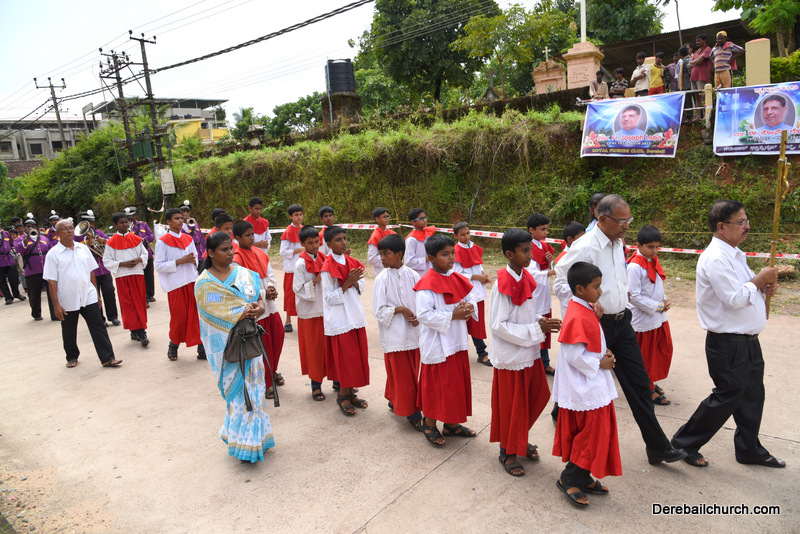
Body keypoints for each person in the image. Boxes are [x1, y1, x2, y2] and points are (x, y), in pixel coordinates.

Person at [553, 194, 686, 465]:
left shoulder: (618, 243)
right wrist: (587, 304)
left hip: (623, 323)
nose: (627, 225)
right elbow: (560, 283)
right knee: (586, 385)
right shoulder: (585, 246)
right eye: (621, 220)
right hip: (598, 325)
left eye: (629, 220)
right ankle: (561, 413)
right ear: (602, 219)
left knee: (639, 383)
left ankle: (657, 447)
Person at [672, 200, 785, 469]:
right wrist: (759, 280)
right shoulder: (715, 258)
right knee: (726, 397)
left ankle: (749, 449)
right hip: (728, 343)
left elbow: (747, 289)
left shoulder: (735, 254)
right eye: (741, 222)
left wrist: (764, 288)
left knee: (752, 396)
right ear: (722, 227)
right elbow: (734, 298)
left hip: (748, 341)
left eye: (747, 221)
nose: (747, 227)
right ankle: (683, 443)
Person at [195, 231, 275, 463]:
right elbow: (213, 315)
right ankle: (242, 442)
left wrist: (260, 308)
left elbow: (256, 299)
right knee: (240, 395)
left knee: (256, 390)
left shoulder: (243, 274)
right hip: (227, 348)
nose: (230, 253)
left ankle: (256, 439)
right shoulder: (204, 284)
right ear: (210, 253)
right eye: (224, 249)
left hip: (250, 341)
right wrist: (242, 312)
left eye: (231, 248)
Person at [552, 261, 621, 507]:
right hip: (584, 386)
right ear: (580, 289)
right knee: (590, 435)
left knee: (597, 433)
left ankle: (583, 476)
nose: (600, 291)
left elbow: (591, 341)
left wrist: (604, 352)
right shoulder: (576, 314)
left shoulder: (585, 307)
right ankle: (569, 478)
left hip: (594, 382)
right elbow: (573, 355)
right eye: (596, 286)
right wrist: (600, 363)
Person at [489, 228, 549, 477]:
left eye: (530, 249)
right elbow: (498, 325)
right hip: (512, 356)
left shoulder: (525, 276)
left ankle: (518, 438)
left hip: (529, 352)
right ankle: (508, 451)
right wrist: (536, 329)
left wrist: (540, 321)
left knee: (537, 396)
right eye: (525, 251)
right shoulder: (502, 284)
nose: (530, 255)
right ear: (509, 254)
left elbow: (526, 312)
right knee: (512, 406)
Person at [414, 234, 478, 446]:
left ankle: (451, 424)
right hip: (438, 344)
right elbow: (423, 315)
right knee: (437, 386)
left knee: (454, 385)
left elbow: (470, 298)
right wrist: (453, 315)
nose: (451, 258)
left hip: (456, 341)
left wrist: (469, 307)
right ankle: (428, 423)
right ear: (431, 258)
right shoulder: (426, 285)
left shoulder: (457, 278)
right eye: (445, 254)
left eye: (452, 253)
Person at [43, 219, 122, 368]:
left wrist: (96, 294)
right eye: (65, 229)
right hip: (68, 298)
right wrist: (56, 305)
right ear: (58, 233)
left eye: (71, 228)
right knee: (69, 329)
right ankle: (72, 356)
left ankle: (107, 358)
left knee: (98, 326)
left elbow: (91, 271)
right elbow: (52, 281)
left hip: (88, 295)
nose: (70, 231)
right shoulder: (53, 254)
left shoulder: (83, 248)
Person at [372, 233, 424, 430]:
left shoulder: (413, 275)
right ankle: (413, 413)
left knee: (410, 373)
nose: (382, 258)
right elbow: (378, 311)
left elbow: (421, 302)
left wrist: (419, 317)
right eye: (380, 254)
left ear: (399, 254)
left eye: (386, 254)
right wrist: (399, 309)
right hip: (394, 335)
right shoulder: (381, 279)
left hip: (413, 333)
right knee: (404, 377)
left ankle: (394, 399)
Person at [320, 226, 370, 416]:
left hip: (354, 315)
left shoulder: (351, 261)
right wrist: (347, 282)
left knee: (355, 358)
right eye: (338, 240)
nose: (343, 242)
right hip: (340, 319)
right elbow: (328, 298)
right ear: (329, 244)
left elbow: (362, 284)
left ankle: (351, 393)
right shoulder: (327, 267)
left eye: (345, 238)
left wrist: (354, 282)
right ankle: (342, 395)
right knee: (345, 360)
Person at [233, 220, 285, 397]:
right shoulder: (237, 259)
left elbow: (270, 275)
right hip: (256, 308)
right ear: (238, 238)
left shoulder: (260, 253)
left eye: (252, 234)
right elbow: (242, 286)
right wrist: (263, 293)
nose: (251, 238)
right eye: (247, 235)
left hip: (270, 305)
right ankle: (266, 382)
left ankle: (272, 370)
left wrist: (271, 288)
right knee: (263, 345)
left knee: (278, 337)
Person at [627, 226, 673, 406]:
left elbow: (658, 285)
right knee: (645, 356)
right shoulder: (634, 267)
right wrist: (658, 306)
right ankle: (646, 388)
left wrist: (664, 300)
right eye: (650, 247)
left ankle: (651, 380)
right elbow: (633, 296)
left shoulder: (653, 261)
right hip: (643, 318)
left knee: (659, 351)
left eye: (657, 247)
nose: (654, 251)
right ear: (639, 245)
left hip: (657, 316)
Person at [155, 208, 205, 361]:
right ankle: (173, 345)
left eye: (181, 218)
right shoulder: (162, 241)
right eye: (176, 218)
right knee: (179, 318)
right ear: (168, 222)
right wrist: (178, 261)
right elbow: (158, 265)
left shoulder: (188, 238)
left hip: (191, 281)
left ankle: (201, 348)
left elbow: (196, 257)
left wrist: (193, 260)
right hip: (176, 284)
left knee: (196, 317)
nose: (180, 221)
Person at [293, 225, 329, 401]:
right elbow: (297, 289)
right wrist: (316, 280)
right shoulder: (300, 264)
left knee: (329, 348)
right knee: (315, 350)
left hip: (326, 310)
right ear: (302, 244)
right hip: (310, 313)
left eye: (317, 242)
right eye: (310, 243)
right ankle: (316, 385)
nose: (315, 246)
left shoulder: (324, 258)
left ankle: (337, 381)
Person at [104, 212, 150, 347]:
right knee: (128, 304)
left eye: (126, 222)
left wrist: (139, 259)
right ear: (115, 224)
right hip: (122, 276)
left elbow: (145, 253)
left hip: (137, 274)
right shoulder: (111, 242)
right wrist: (122, 264)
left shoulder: (136, 239)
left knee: (139, 303)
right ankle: (139, 332)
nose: (125, 224)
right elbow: (107, 261)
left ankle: (138, 331)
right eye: (121, 222)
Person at [526, 213, 561, 375]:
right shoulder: (528, 247)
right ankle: (535, 363)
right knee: (537, 326)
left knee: (545, 328)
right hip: (534, 293)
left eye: (547, 229)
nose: (546, 232)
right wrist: (551, 271)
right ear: (531, 230)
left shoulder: (544, 246)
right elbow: (531, 273)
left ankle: (544, 362)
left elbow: (546, 268)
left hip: (544, 292)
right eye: (543, 229)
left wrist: (549, 262)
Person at [452, 221, 491, 366]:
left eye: (468, 233)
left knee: (477, 323)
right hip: (466, 291)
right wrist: (476, 277)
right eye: (462, 234)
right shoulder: (456, 251)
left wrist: (483, 275)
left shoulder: (473, 246)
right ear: (456, 236)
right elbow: (456, 274)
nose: (466, 236)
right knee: (467, 323)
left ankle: (481, 352)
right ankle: (479, 352)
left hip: (478, 289)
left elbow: (478, 265)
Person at [74, 210, 120, 327]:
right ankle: (100, 319)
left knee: (109, 291)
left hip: (104, 268)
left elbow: (111, 243)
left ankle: (113, 316)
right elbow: (75, 250)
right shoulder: (77, 237)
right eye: (89, 223)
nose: (92, 225)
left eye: (93, 222)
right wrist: (87, 244)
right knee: (94, 295)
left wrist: (104, 241)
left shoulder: (99, 232)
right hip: (90, 270)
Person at [14, 214, 54, 321]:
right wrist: (27, 237)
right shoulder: (19, 240)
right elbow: (19, 249)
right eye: (27, 226)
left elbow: (51, 251)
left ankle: (55, 313)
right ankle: (36, 313)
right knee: (34, 294)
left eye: (33, 226)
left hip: (47, 270)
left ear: (37, 227)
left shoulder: (44, 238)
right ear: (24, 228)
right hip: (32, 271)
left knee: (52, 292)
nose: (30, 228)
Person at [279, 203, 304, 333]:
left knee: (304, 294)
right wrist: (298, 250)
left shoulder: (305, 230)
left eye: (300, 214)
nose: (299, 217)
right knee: (290, 294)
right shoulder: (288, 232)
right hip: (291, 269)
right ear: (290, 216)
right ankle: (288, 320)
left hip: (304, 268)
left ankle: (303, 319)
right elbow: (282, 252)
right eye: (296, 215)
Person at [125, 207, 156, 304]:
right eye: (128, 217)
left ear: (135, 215)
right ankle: (144, 297)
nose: (130, 219)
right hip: (135, 254)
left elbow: (151, 236)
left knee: (149, 275)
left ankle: (150, 294)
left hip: (147, 252)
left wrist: (143, 240)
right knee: (140, 276)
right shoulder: (125, 228)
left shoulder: (143, 224)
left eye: (131, 216)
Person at [404, 208, 435, 278]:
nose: (425, 220)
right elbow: (408, 262)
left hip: (430, 271)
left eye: (425, 217)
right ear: (413, 222)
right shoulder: (411, 239)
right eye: (421, 218)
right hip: (417, 275)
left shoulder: (428, 235)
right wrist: (426, 259)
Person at [0, 218, 25, 305]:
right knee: (2, 281)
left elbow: (13, 243)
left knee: (14, 278)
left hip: (9, 258)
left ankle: (16, 294)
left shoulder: (6, 233)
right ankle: (8, 297)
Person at [366, 207, 396, 277]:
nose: (387, 219)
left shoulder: (392, 233)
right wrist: (387, 259)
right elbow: (372, 258)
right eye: (384, 217)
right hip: (381, 270)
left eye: (388, 216)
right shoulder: (375, 236)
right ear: (377, 219)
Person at [689, 34, 713, 120]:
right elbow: (689, 64)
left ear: (704, 40)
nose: (697, 42)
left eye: (699, 40)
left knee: (705, 96)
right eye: (696, 41)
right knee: (697, 97)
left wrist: (693, 62)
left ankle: (708, 115)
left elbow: (700, 60)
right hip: (693, 77)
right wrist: (695, 62)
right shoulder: (696, 52)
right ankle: (698, 116)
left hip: (702, 76)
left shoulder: (707, 49)